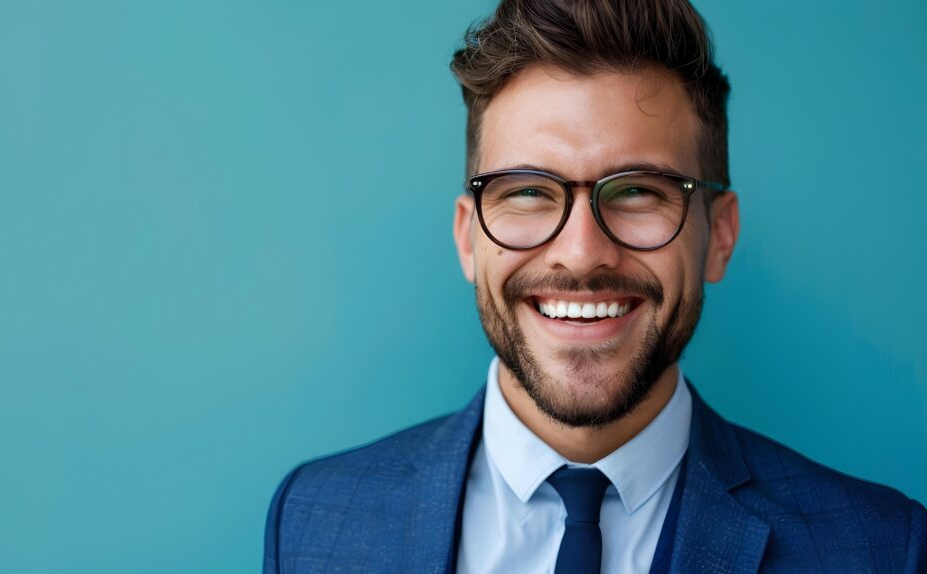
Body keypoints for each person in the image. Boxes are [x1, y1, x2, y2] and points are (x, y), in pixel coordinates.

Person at [263, 0, 927, 572]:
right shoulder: (313, 524)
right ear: (468, 238)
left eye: (639, 190)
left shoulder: (878, 549)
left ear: (719, 235)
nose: (582, 252)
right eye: (526, 191)